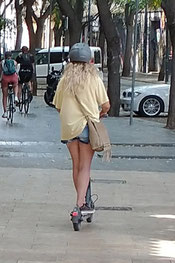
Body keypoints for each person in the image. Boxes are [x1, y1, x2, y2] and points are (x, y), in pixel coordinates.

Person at [53, 43, 110, 215]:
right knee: (85, 167)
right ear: (90, 62)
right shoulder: (94, 79)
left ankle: (81, 200)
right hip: (87, 127)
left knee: (76, 166)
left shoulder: (64, 81)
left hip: (69, 128)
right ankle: (80, 204)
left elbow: (58, 106)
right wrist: (99, 114)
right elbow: (106, 105)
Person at [0, 51, 20, 118]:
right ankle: (16, 97)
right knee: (16, 85)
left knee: (5, 96)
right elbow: (16, 71)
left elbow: (1, 71)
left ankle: (5, 112)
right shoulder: (14, 62)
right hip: (13, 77)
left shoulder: (2, 62)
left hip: (5, 78)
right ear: (11, 56)